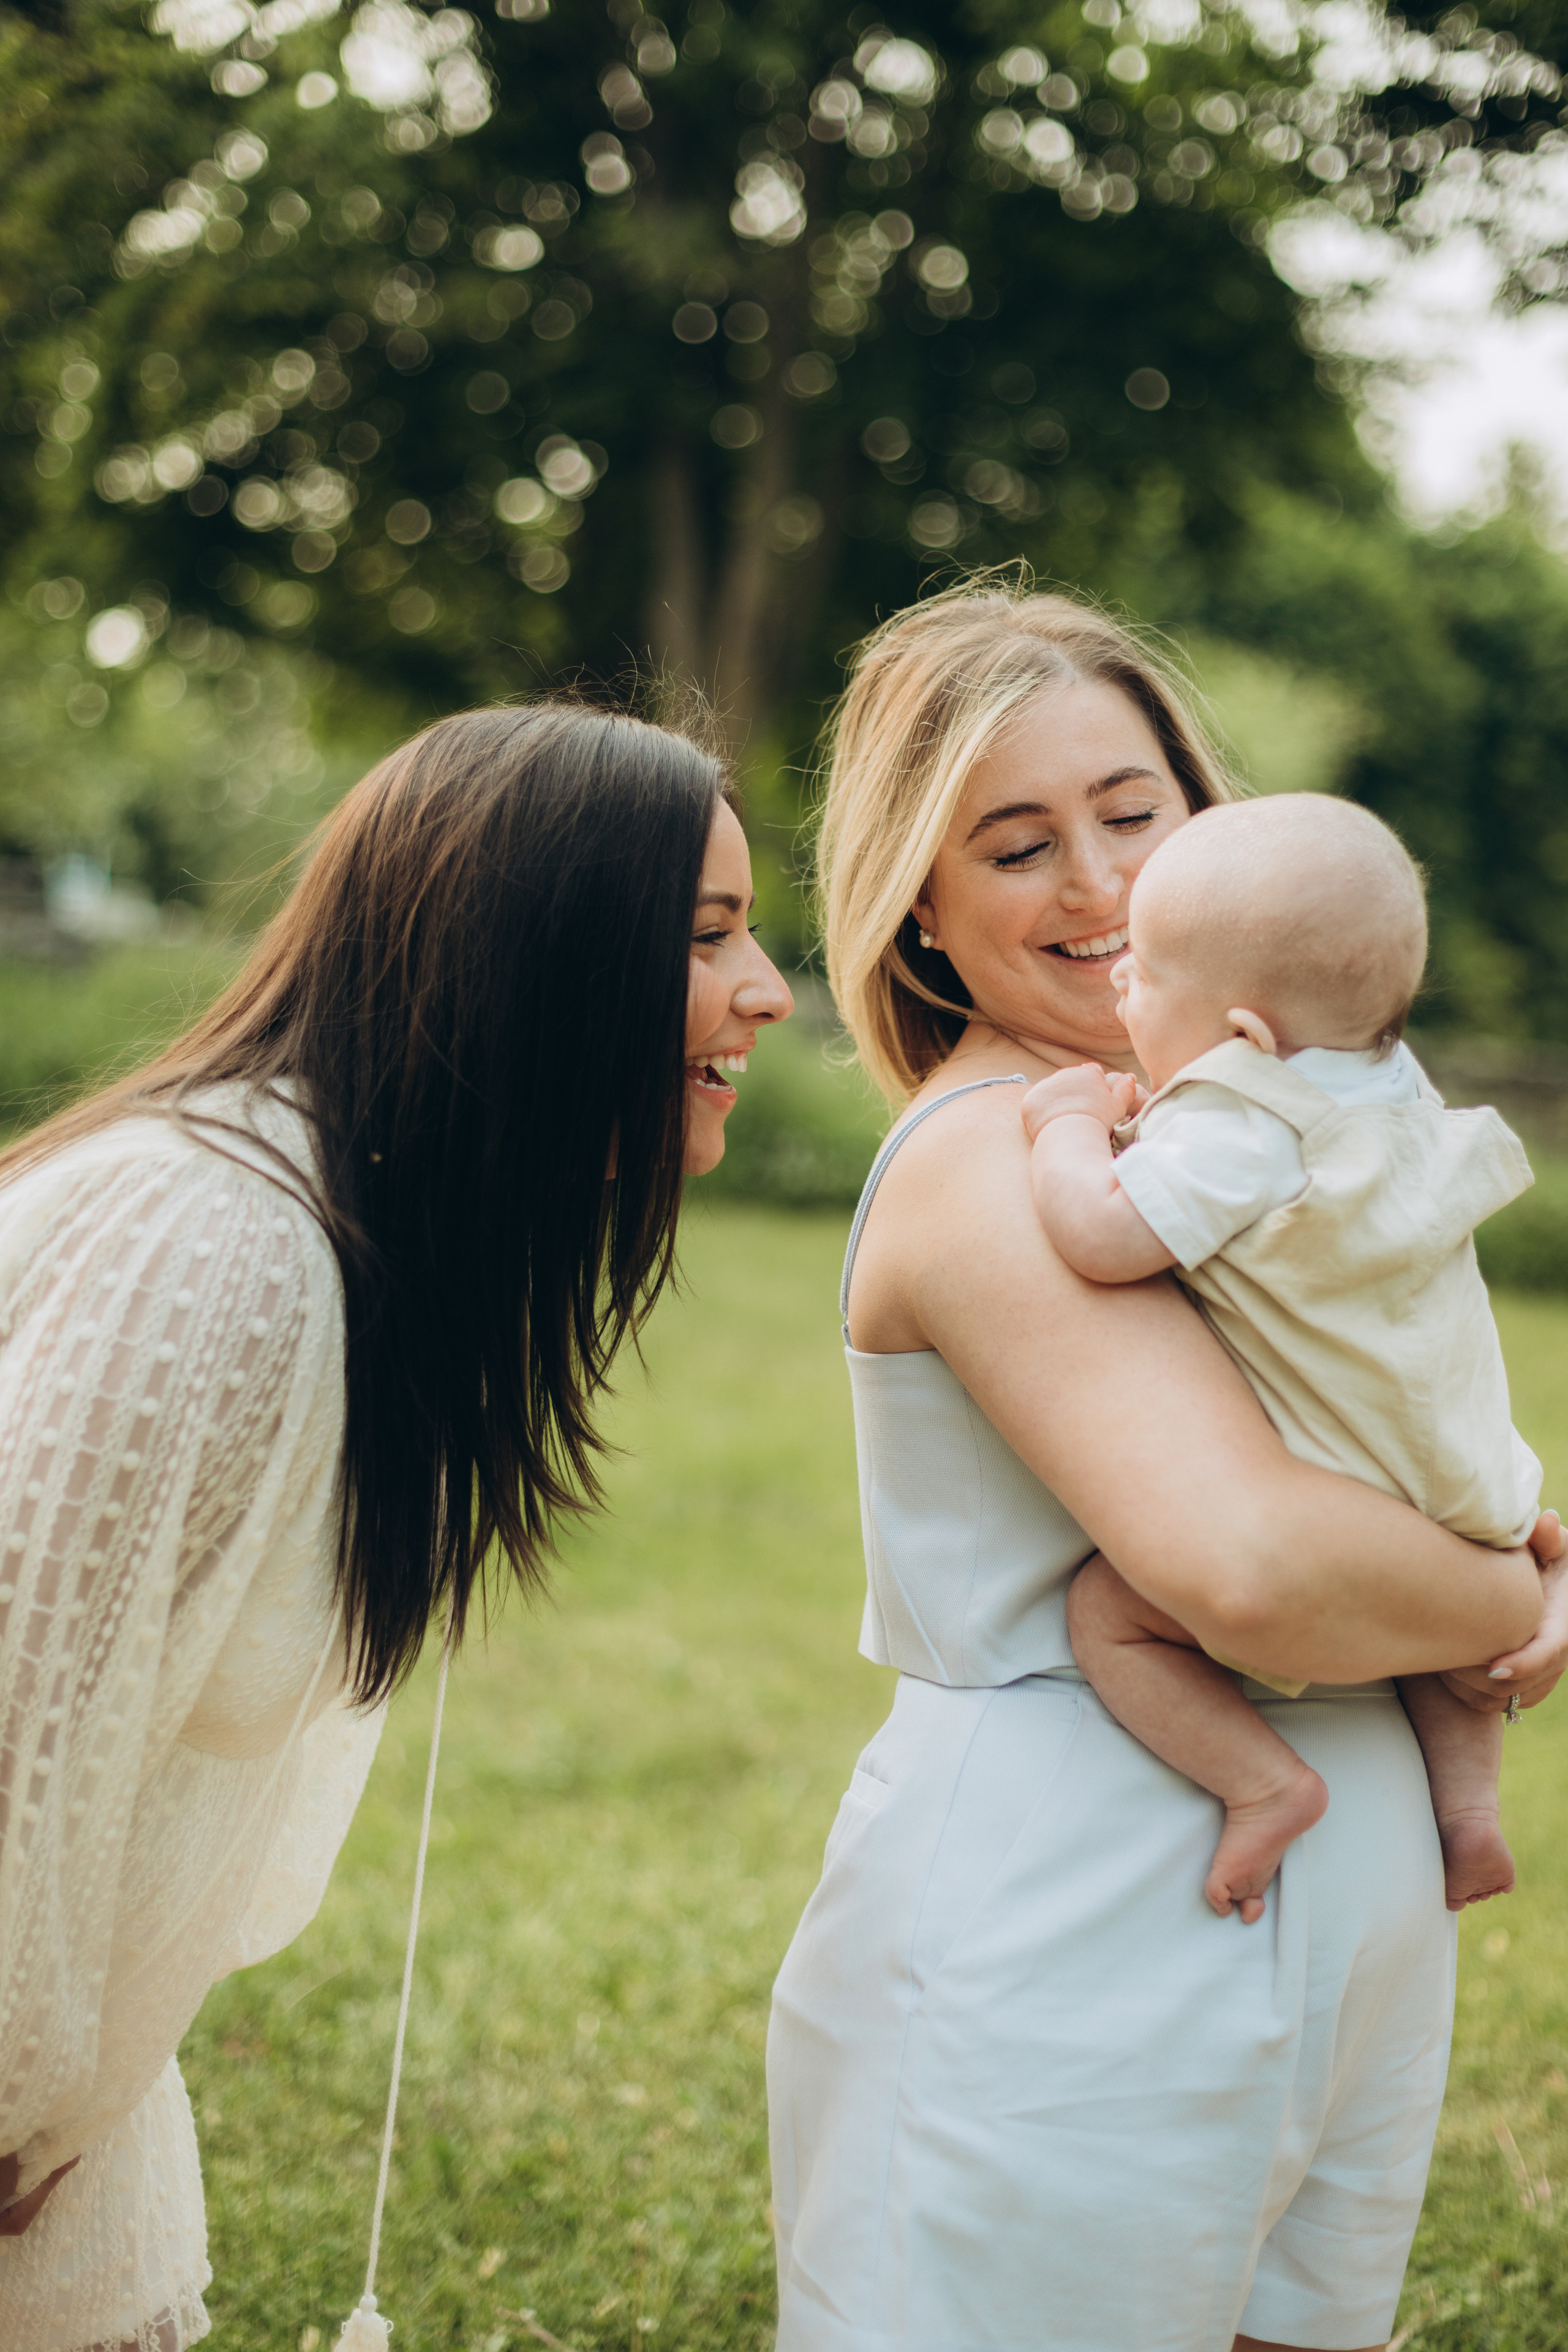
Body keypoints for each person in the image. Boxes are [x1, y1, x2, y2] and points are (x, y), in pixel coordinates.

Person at [767, 579, 1568, 2352]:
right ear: (919, 909)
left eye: (1135, 815)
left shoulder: (1275, 1127)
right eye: (1017, 844)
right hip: (1085, 1921)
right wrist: (1508, 1588)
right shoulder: (1001, 1156)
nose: (1103, 885)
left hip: (1349, 1916)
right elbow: (1252, 1569)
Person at [0, 701, 792, 2352]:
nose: (769, 990)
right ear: (537, 963)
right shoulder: (212, 1251)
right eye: (708, 937)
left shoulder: (352, 1258)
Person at [1023, 793, 1544, 1925]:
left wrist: (1066, 1126)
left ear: (1249, 1039)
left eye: (1149, 973)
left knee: (1109, 1616)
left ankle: (1261, 1782)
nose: (1122, 980)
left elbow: (1107, 1237)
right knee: (1447, 1667)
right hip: (1459, 1473)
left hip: (1329, 1480)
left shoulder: (1243, 1118)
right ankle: (1467, 1814)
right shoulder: (1394, 1088)